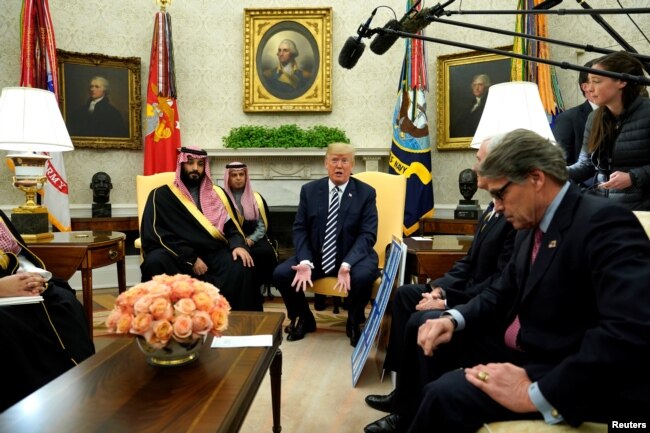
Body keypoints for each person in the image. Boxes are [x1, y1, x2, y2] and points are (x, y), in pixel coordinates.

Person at [372, 129, 650, 433]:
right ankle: (407, 415)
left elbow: (627, 332)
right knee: (432, 338)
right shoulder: (530, 225)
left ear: (535, 178)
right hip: (525, 347)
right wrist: (453, 318)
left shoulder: (604, 222)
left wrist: (534, 394)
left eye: (500, 194)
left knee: (446, 395)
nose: (498, 207)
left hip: (576, 373)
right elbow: (502, 292)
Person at [363, 136, 516, 427]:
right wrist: (438, 288)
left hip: (480, 301)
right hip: (464, 290)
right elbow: (468, 263)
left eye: (479, 160)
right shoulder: (491, 208)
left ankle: (409, 412)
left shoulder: (514, 214)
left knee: (421, 320)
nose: (474, 166)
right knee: (407, 294)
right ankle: (402, 391)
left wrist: (446, 301)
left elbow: (499, 282)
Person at [273, 142, 380, 346]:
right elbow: (300, 228)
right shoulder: (310, 190)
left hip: (354, 257)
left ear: (352, 165)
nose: (339, 165)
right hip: (317, 256)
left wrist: (347, 263)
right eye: (334, 160)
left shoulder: (366, 193)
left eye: (344, 161)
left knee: (364, 276)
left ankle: (353, 321)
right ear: (326, 163)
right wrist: (305, 260)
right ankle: (304, 317)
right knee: (282, 273)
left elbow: (367, 234)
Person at [140, 146, 262, 311]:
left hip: (212, 250)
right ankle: (166, 319)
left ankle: (237, 323)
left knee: (242, 263)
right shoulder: (161, 195)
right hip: (178, 253)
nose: (195, 168)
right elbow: (156, 233)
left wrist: (238, 244)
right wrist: (191, 258)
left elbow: (230, 227)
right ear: (181, 164)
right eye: (190, 163)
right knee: (154, 261)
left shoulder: (216, 194)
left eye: (200, 164)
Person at [0, 210, 95, 411]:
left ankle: (83, 395)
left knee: (64, 301)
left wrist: (35, 279)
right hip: (4, 301)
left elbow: (21, 257)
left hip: (23, 285)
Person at [568, 51, 650, 210]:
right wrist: (552, 171)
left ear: (621, 81)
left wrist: (633, 177)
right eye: (588, 82)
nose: (590, 89)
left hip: (643, 212)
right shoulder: (594, 118)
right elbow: (585, 166)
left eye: (597, 81)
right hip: (605, 209)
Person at [223, 161, 278, 291]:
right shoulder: (221, 198)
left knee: (264, 251)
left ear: (246, 176)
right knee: (231, 257)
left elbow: (262, 225)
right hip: (230, 239)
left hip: (253, 237)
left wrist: (252, 239)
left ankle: (257, 287)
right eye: (234, 175)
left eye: (241, 174)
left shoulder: (256, 198)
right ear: (228, 178)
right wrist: (238, 242)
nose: (238, 178)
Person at [551, 59, 598, 165]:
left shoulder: (618, 113)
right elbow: (559, 163)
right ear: (585, 87)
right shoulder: (568, 119)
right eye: (598, 81)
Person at [451, 74, 491, 138]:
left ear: (487, 86)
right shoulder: (469, 105)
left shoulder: (490, 103)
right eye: (474, 85)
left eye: (480, 85)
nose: (476, 88)